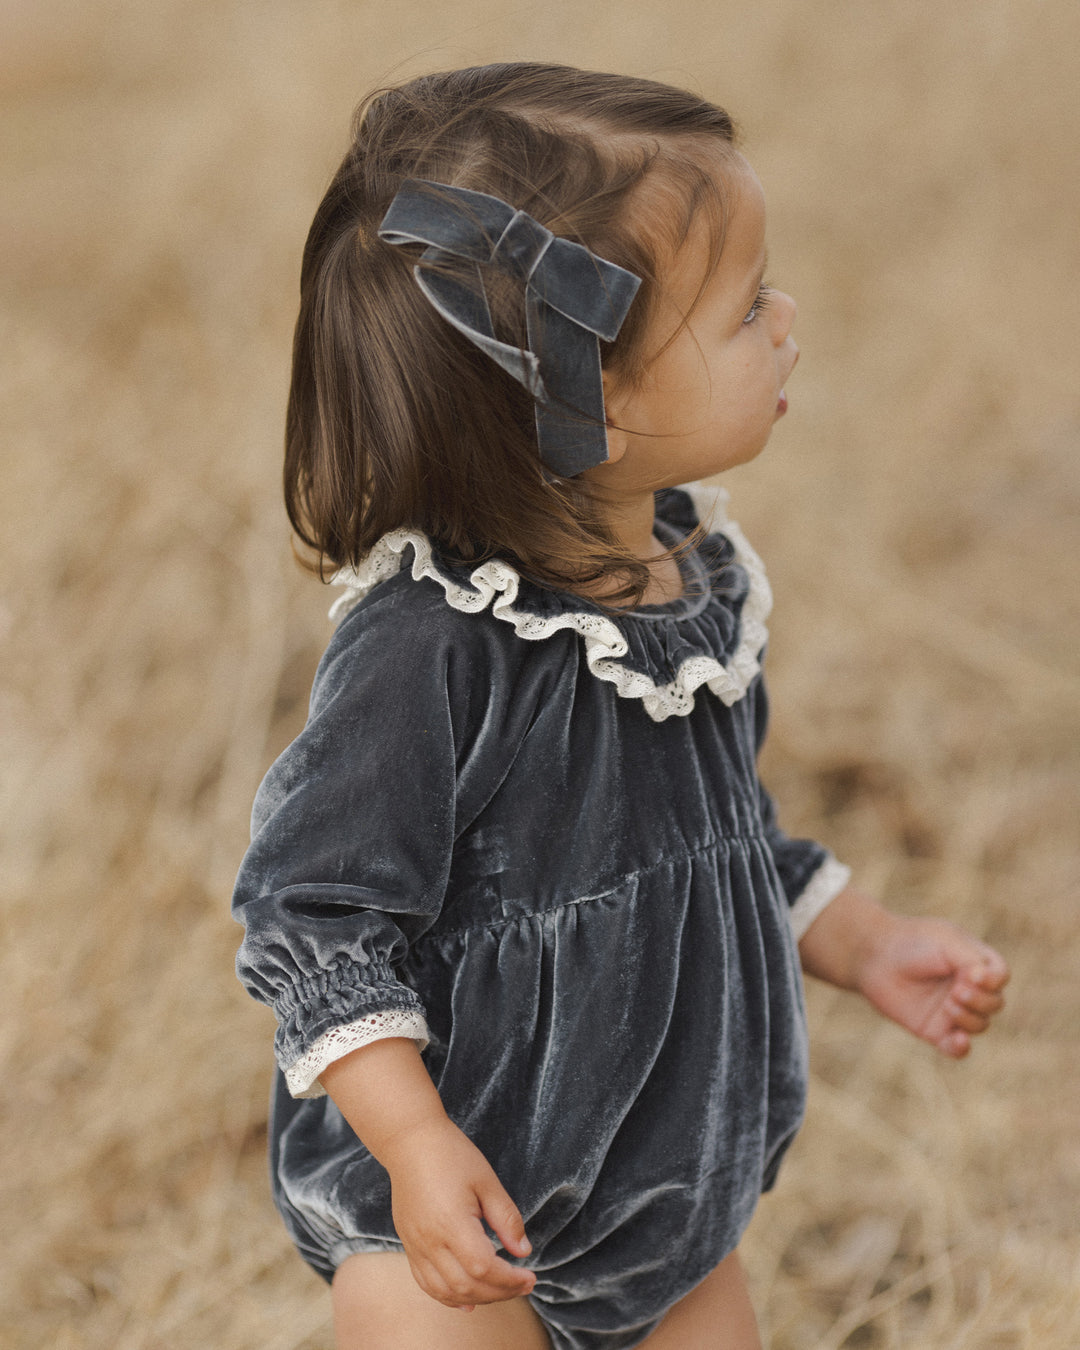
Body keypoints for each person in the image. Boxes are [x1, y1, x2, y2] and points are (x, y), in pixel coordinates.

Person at [232, 62, 1009, 1350]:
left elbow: (715, 828)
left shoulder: (689, 580)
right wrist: (415, 1144)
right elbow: (314, 914)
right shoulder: (430, 645)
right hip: (451, 1208)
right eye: (747, 304)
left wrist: (866, 943)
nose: (788, 318)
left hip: (660, 1199)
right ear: (584, 392)